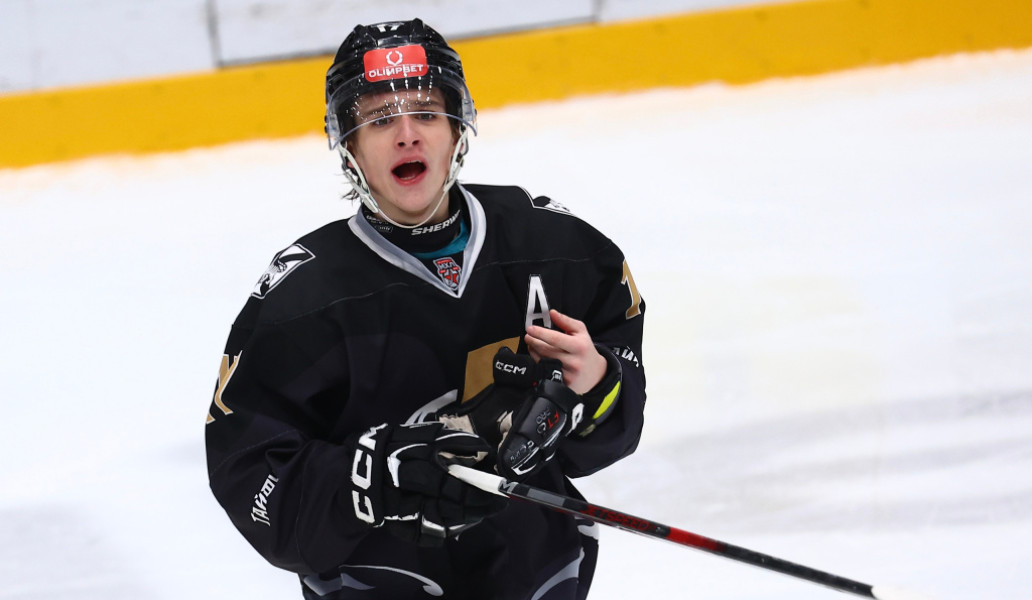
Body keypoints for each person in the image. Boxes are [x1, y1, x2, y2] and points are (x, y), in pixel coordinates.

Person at [205, 18, 646, 600]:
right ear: (350, 146)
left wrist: (598, 383)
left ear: (457, 129)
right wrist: (370, 478)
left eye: (426, 114)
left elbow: (615, 403)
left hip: (536, 570)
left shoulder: (556, 249)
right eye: (380, 120)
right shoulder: (302, 302)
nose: (407, 135)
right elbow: (251, 474)